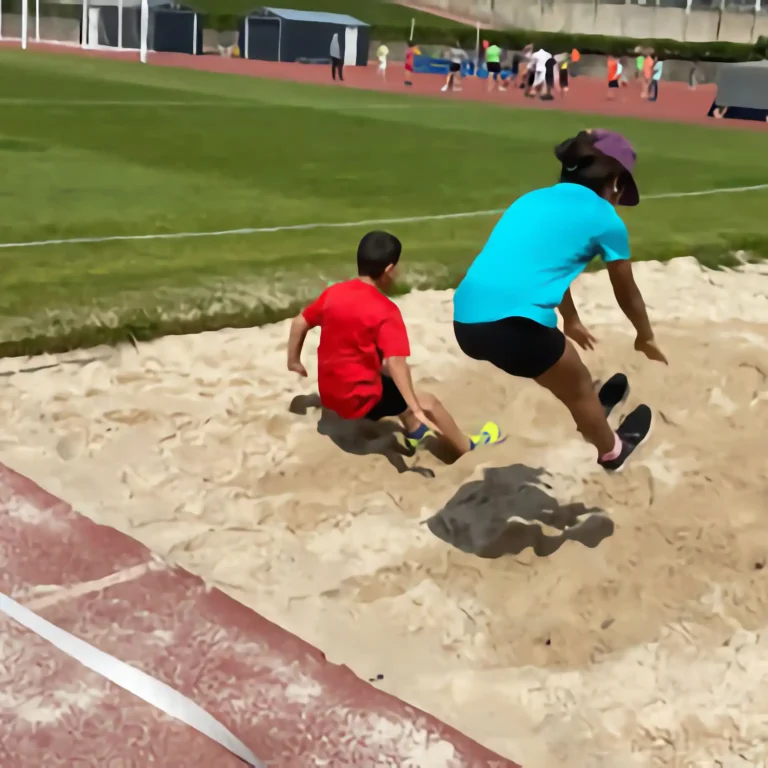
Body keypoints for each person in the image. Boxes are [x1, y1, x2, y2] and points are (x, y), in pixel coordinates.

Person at [452, 130, 667, 472]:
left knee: (560, 367)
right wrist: (645, 334)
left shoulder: (531, 200)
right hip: (513, 328)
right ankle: (612, 450)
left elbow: (545, 267)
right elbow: (626, 290)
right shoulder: (606, 220)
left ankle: (589, 412)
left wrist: (572, 319)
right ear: (614, 181)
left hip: (465, 321)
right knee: (579, 386)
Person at [287, 231, 503, 460]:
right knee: (428, 401)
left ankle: (415, 431)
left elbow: (299, 322)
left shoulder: (334, 292)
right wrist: (417, 407)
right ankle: (466, 446)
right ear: (389, 270)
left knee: (383, 370)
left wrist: (294, 361)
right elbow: (397, 363)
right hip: (359, 403)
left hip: (330, 393)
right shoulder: (386, 311)